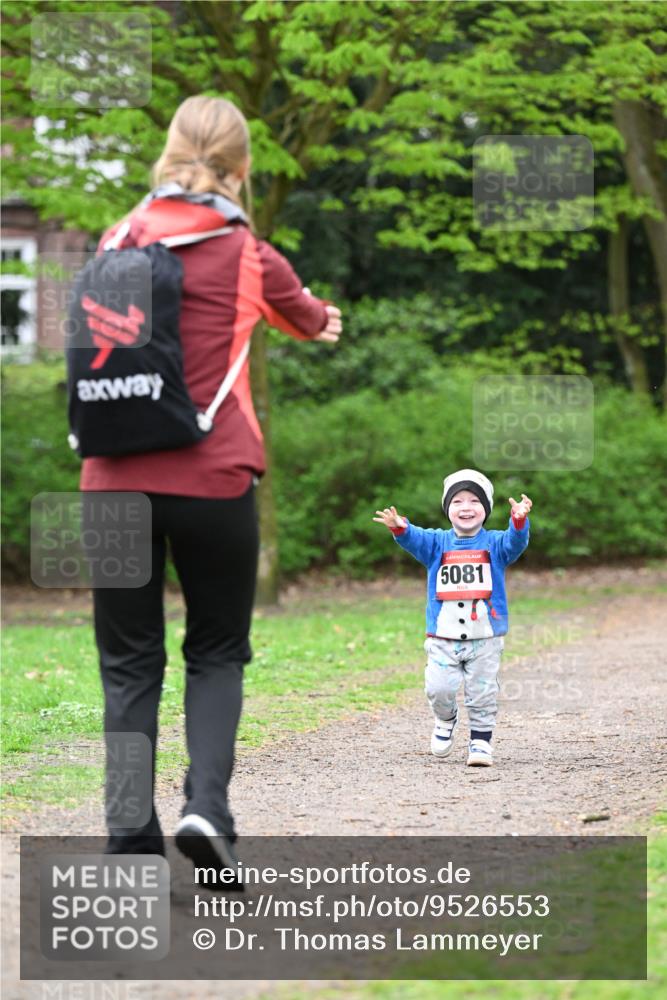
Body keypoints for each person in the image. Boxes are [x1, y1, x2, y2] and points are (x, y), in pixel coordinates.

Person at [83, 95, 342, 869]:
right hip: (213, 478)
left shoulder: (115, 237)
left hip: (110, 481)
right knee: (217, 651)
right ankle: (207, 810)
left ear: (169, 152)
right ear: (243, 165)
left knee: (128, 663)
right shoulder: (245, 252)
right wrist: (324, 317)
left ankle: (129, 831)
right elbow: (304, 320)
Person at [373, 469, 531, 767]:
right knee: (438, 688)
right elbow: (414, 537)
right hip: (442, 637)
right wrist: (400, 527)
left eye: (474, 501)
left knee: (482, 693)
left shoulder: (495, 544)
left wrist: (519, 520)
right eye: (458, 501)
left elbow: (515, 542)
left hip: (485, 636)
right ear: (448, 509)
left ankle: (481, 742)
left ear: (486, 509)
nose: (466, 507)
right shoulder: (436, 544)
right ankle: (446, 719)